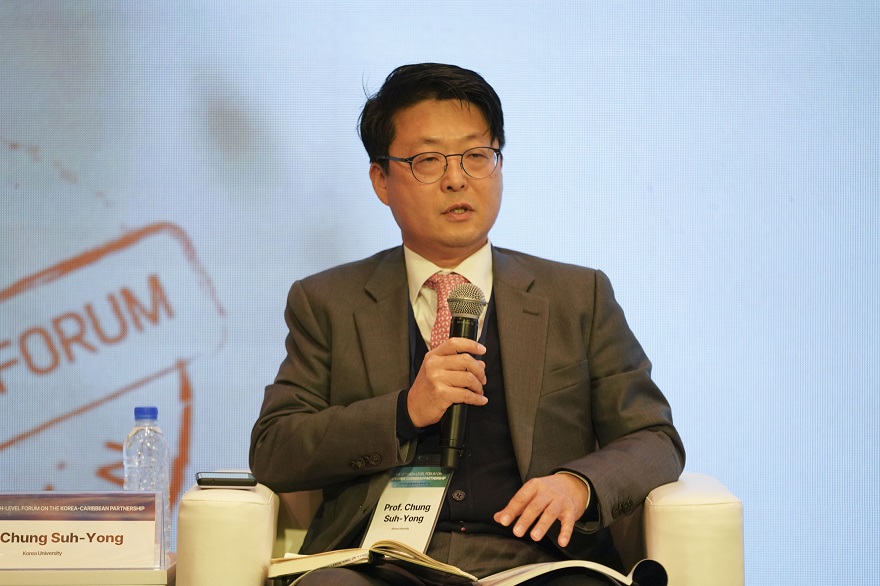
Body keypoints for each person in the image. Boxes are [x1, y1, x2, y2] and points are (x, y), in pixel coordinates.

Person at [250, 63, 685, 586]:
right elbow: (274, 448)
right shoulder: (327, 301)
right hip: (383, 564)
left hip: (541, 563)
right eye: (428, 160)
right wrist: (405, 411)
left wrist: (579, 483)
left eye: (476, 156)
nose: (456, 179)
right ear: (381, 180)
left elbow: (654, 437)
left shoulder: (577, 295)